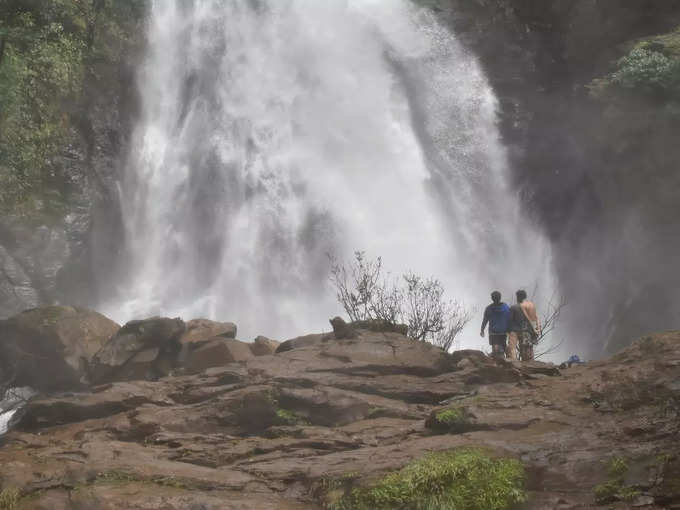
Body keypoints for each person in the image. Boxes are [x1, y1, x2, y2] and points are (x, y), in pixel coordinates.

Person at [509, 289, 541, 361]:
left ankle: (522, 367)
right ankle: (531, 365)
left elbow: (510, 321)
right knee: (529, 349)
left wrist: (509, 330)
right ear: (525, 297)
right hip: (528, 331)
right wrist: (537, 329)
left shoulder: (513, 308)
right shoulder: (530, 307)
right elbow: (535, 319)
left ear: (517, 297)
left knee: (522, 350)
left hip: (517, 331)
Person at [480, 291, 511, 360]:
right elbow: (510, 319)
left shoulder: (488, 308)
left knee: (496, 350)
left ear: (492, 298)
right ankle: (506, 360)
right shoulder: (506, 307)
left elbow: (485, 320)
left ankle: (500, 363)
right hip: (503, 332)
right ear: (500, 298)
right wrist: (510, 331)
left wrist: (482, 330)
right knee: (502, 347)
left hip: (493, 333)